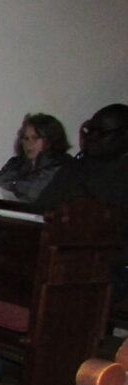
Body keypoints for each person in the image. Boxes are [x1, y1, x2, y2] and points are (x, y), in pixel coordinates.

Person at [39, 102, 128, 299]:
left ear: (124, 136)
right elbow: (43, 207)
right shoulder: (76, 167)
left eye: (102, 133)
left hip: (112, 263)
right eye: (90, 130)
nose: (92, 137)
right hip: (65, 253)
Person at [0, 113, 71, 202]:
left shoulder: (62, 165)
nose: (29, 143)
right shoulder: (14, 163)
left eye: (35, 138)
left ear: (51, 139)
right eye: (26, 138)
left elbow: (37, 192)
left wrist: (12, 185)